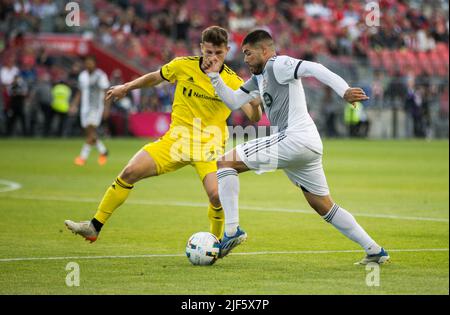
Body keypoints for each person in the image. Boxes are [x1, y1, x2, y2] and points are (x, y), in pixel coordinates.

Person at [203, 29, 389, 265]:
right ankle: (374, 250)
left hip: (295, 138)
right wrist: (214, 76)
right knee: (323, 205)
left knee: (225, 162)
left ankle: (231, 231)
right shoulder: (259, 78)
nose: (246, 60)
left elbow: (315, 68)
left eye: (249, 54)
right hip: (306, 146)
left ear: (265, 50)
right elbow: (232, 101)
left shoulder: (277, 64)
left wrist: (343, 90)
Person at [64, 26, 261, 243]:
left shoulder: (233, 81)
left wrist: (257, 105)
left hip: (209, 147)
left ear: (228, 50)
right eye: (209, 52)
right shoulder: (183, 65)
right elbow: (155, 78)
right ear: (201, 48)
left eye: (219, 53)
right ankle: (94, 226)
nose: (213, 58)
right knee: (130, 172)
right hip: (175, 142)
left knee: (217, 196)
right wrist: (126, 87)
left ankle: (215, 243)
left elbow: (253, 116)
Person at [70, 56, 110, 166]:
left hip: (96, 107)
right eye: (87, 63)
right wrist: (74, 105)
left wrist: (106, 107)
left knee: (91, 131)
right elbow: (80, 92)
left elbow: (106, 91)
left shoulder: (101, 75)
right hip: (85, 108)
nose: (88, 65)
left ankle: (83, 157)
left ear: (95, 64)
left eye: (90, 63)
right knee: (88, 132)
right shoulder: (82, 76)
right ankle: (103, 151)